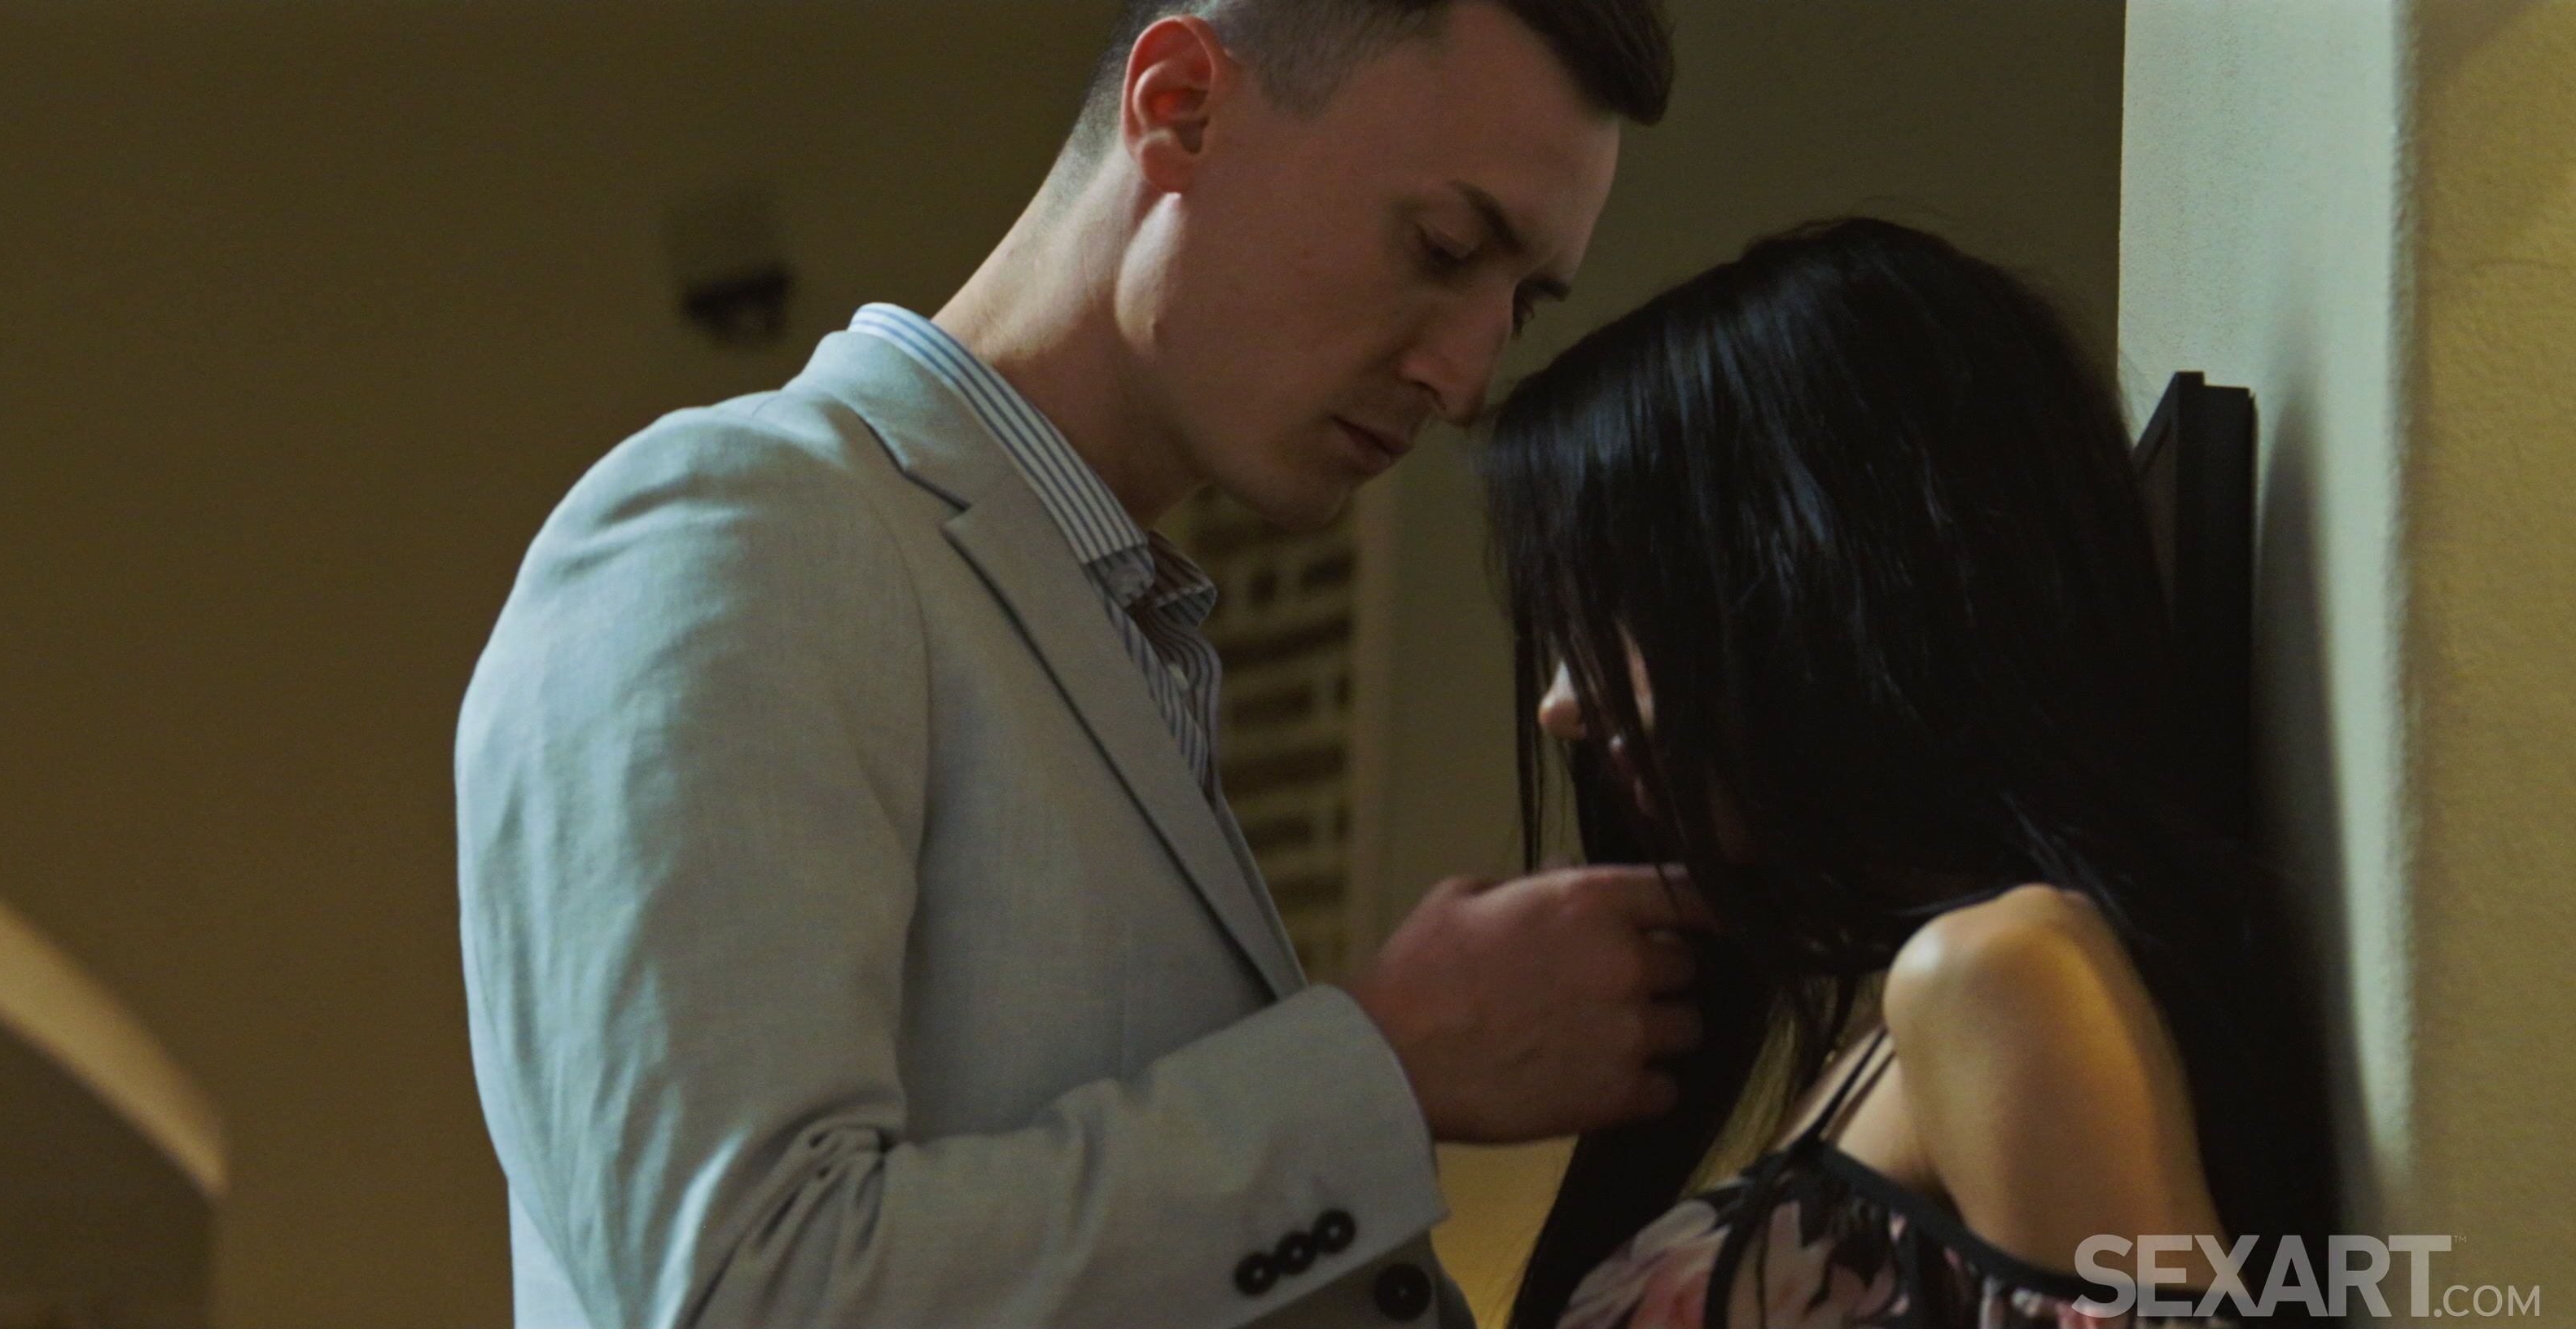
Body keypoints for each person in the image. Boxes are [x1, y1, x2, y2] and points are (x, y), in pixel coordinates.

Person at [455, 2, 1706, 1326]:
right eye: (1442, 247)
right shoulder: (738, 526)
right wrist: (1385, 1066)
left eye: (1521, 302)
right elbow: (748, 1298)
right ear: (1180, 108)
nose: (1464, 374)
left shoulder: (1114, 628)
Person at [1476, 217, 2341, 1329]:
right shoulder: (1905, 1013)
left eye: (1612, 611)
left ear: (1819, 578)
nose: (1559, 703)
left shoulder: (1994, 975)